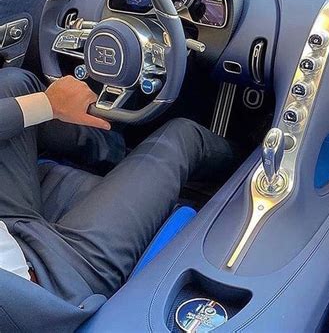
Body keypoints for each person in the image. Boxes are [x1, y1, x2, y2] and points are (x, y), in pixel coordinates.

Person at [0, 67, 241, 323]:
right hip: (50, 285)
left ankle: (120, 152)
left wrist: (47, 104)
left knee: (14, 84)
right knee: (182, 136)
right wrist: (48, 103)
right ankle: (249, 158)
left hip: (9, 230)